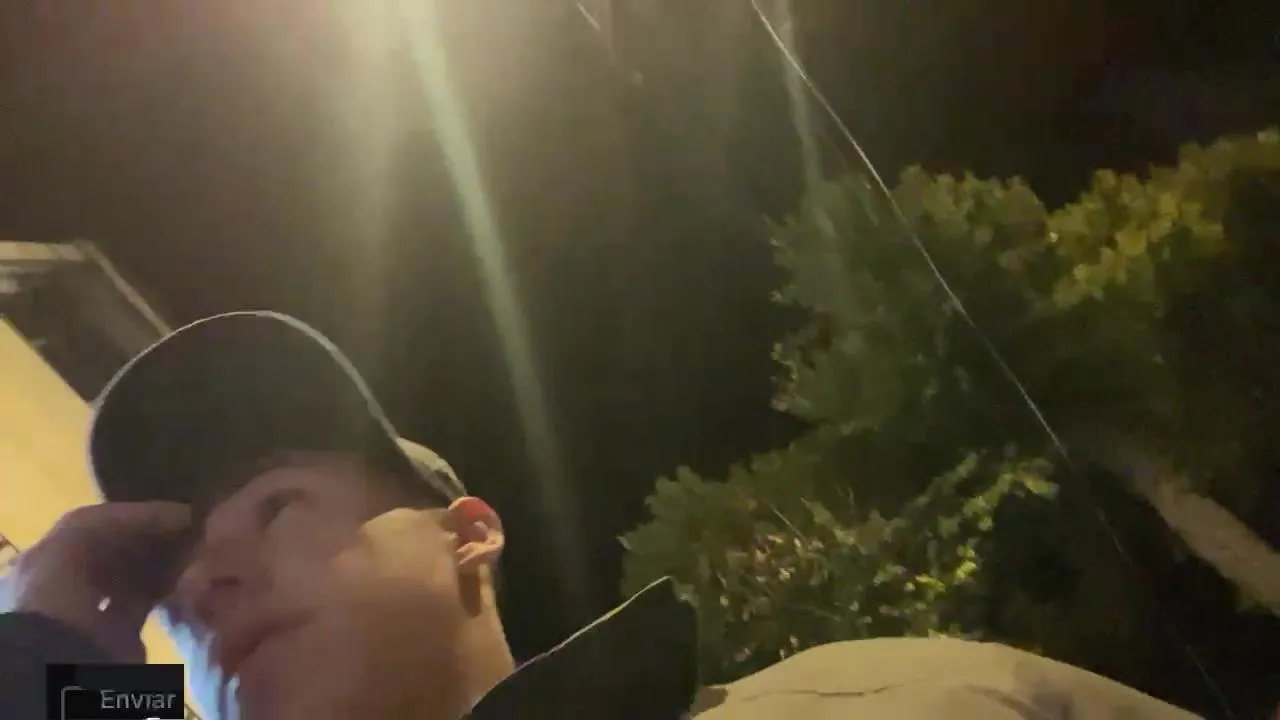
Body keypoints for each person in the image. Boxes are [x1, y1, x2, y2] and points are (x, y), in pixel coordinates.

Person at [0, 311, 1205, 719]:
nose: (205, 588)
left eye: (272, 509)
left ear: (468, 533)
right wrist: (47, 657)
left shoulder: (890, 703)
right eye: (171, 595)